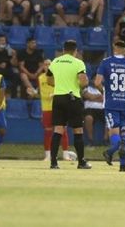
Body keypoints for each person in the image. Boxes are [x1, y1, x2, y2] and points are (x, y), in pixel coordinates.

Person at [96, 40, 125, 172]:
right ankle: (122, 165)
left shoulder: (106, 62)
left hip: (111, 103)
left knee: (114, 132)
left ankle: (113, 149)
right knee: (123, 133)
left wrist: (104, 92)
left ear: (114, 48)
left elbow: (97, 82)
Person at [46, 40, 91, 169]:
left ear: (64, 50)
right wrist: (83, 83)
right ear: (75, 51)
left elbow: (49, 79)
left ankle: (53, 163)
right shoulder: (78, 63)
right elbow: (83, 82)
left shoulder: (55, 61)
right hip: (73, 98)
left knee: (58, 129)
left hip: (58, 97)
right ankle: (81, 162)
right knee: (78, 130)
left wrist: (59, 84)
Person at [38, 59, 72, 161]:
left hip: (59, 106)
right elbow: (42, 94)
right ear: (43, 66)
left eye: (49, 64)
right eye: (46, 64)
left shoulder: (58, 76)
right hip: (47, 107)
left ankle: (65, 154)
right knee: (48, 131)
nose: (47, 66)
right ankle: (48, 155)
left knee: (63, 131)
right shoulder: (40, 78)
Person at [82, 79, 107, 146]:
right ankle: (91, 140)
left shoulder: (104, 89)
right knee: (88, 118)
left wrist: (93, 97)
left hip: (102, 109)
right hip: (89, 109)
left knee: (109, 119)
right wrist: (98, 97)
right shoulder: (86, 88)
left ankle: (105, 140)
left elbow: (105, 99)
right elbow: (89, 97)